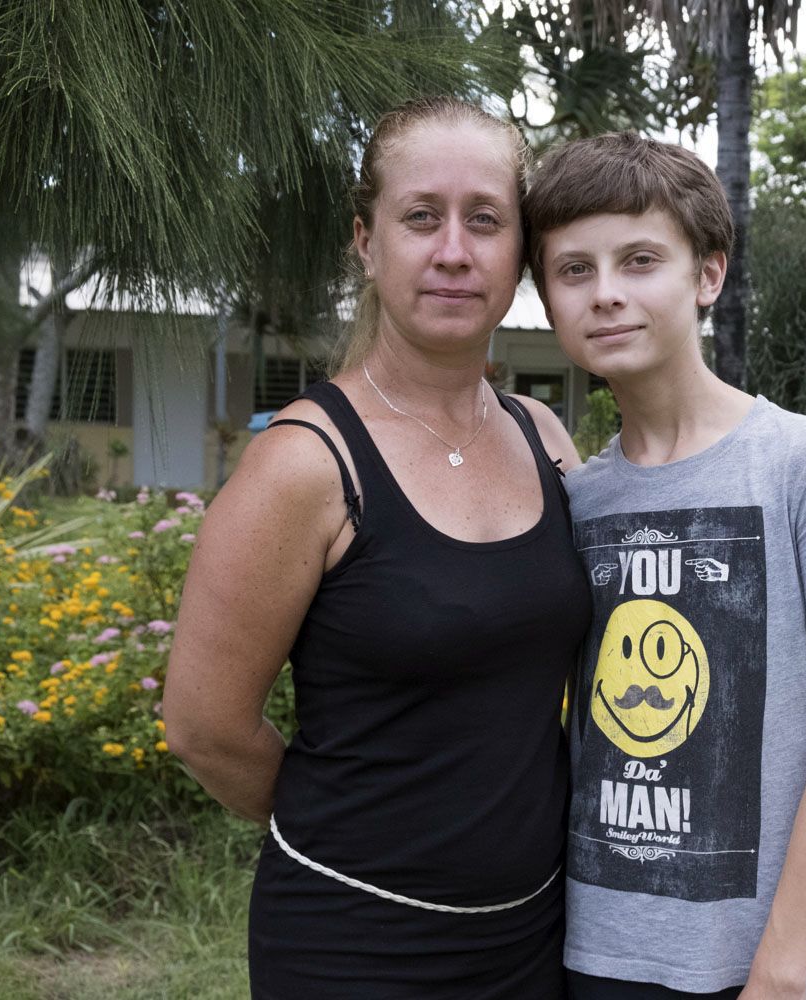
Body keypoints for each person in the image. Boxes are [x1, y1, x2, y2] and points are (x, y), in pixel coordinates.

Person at [161, 96, 588, 999]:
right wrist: (356, 832)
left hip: (539, 936)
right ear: (366, 241)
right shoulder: (303, 466)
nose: (453, 251)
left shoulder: (545, 437)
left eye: (486, 220)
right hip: (355, 944)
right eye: (420, 217)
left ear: (521, 250)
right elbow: (204, 729)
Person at [524, 133, 806, 1000]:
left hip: (768, 963)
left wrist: (781, 967)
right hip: (597, 953)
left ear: (708, 275)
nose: (606, 293)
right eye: (573, 271)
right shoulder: (578, 502)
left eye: (640, 259)